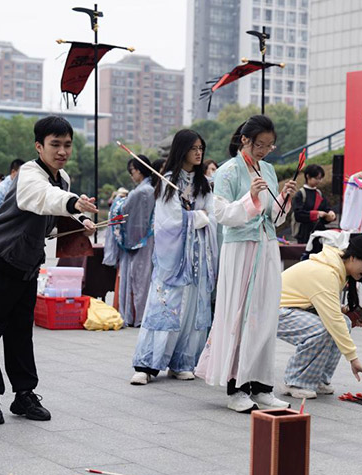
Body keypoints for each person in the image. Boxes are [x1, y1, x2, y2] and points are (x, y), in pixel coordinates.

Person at [0, 116, 96, 425]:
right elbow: (40, 198)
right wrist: (73, 204)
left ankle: (24, 395)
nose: (62, 151)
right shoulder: (28, 173)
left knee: (20, 333)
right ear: (38, 146)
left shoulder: (63, 179)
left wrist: (82, 222)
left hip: (27, 265)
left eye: (67, 144)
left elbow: (56, 212)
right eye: (55, 145)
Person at [195, 115, 295, 413]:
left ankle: (261, 385)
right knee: (238, 315)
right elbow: (222, 214)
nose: (264, 150)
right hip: (240, 249)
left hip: (266, 245)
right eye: (259, 144)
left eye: (268, 145)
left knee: (265, 313)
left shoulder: (268, 169)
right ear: (245, 140)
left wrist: (284, 199)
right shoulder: (227, 172)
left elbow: (275, 217)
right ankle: (236, 387)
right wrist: (249, 198)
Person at [130, 130, 218, 387]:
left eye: (201, 147)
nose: (199, 153)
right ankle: (146, 364)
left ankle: (182, 361)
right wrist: (195, 217)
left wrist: (200, 216)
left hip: (198, 255)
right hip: (174, 256)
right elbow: (167, 221)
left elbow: (212, 214)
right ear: (182, 150)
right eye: (194, 148)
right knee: (164, 306)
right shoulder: (167, 180)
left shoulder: (203, 183)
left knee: (191, 308)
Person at [276, 234, 362, 398]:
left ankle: (318, 380)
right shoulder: (327, 272)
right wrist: (353, 359)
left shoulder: (336, 268)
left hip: (292, 308)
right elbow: (333, 320)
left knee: (343, 322)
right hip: (274, 311)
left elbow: (327, 306)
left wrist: (346, 311)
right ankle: (295, 381)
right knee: (324, 329)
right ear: (353, 257)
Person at [113, 157, 156, 327]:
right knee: (145, 278)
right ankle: (142, 316)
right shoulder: (152, 189)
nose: (131, 175)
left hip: (135, 241)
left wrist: (118, 200)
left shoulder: (138, 192)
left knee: (135, 279)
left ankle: (134, 316)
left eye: (132, 171)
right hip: (148, 238)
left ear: (138, 170)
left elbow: (121, 212)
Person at [292, 164, 335, 244]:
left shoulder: (319, 193)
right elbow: (298, 215)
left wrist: (330, 214)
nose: (319, 181)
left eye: (320, 179)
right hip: (305, 234)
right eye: (317, 178)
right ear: (308, 176)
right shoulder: (300, 194)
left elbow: (326, 208)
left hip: (319, 233)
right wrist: (317, 214)